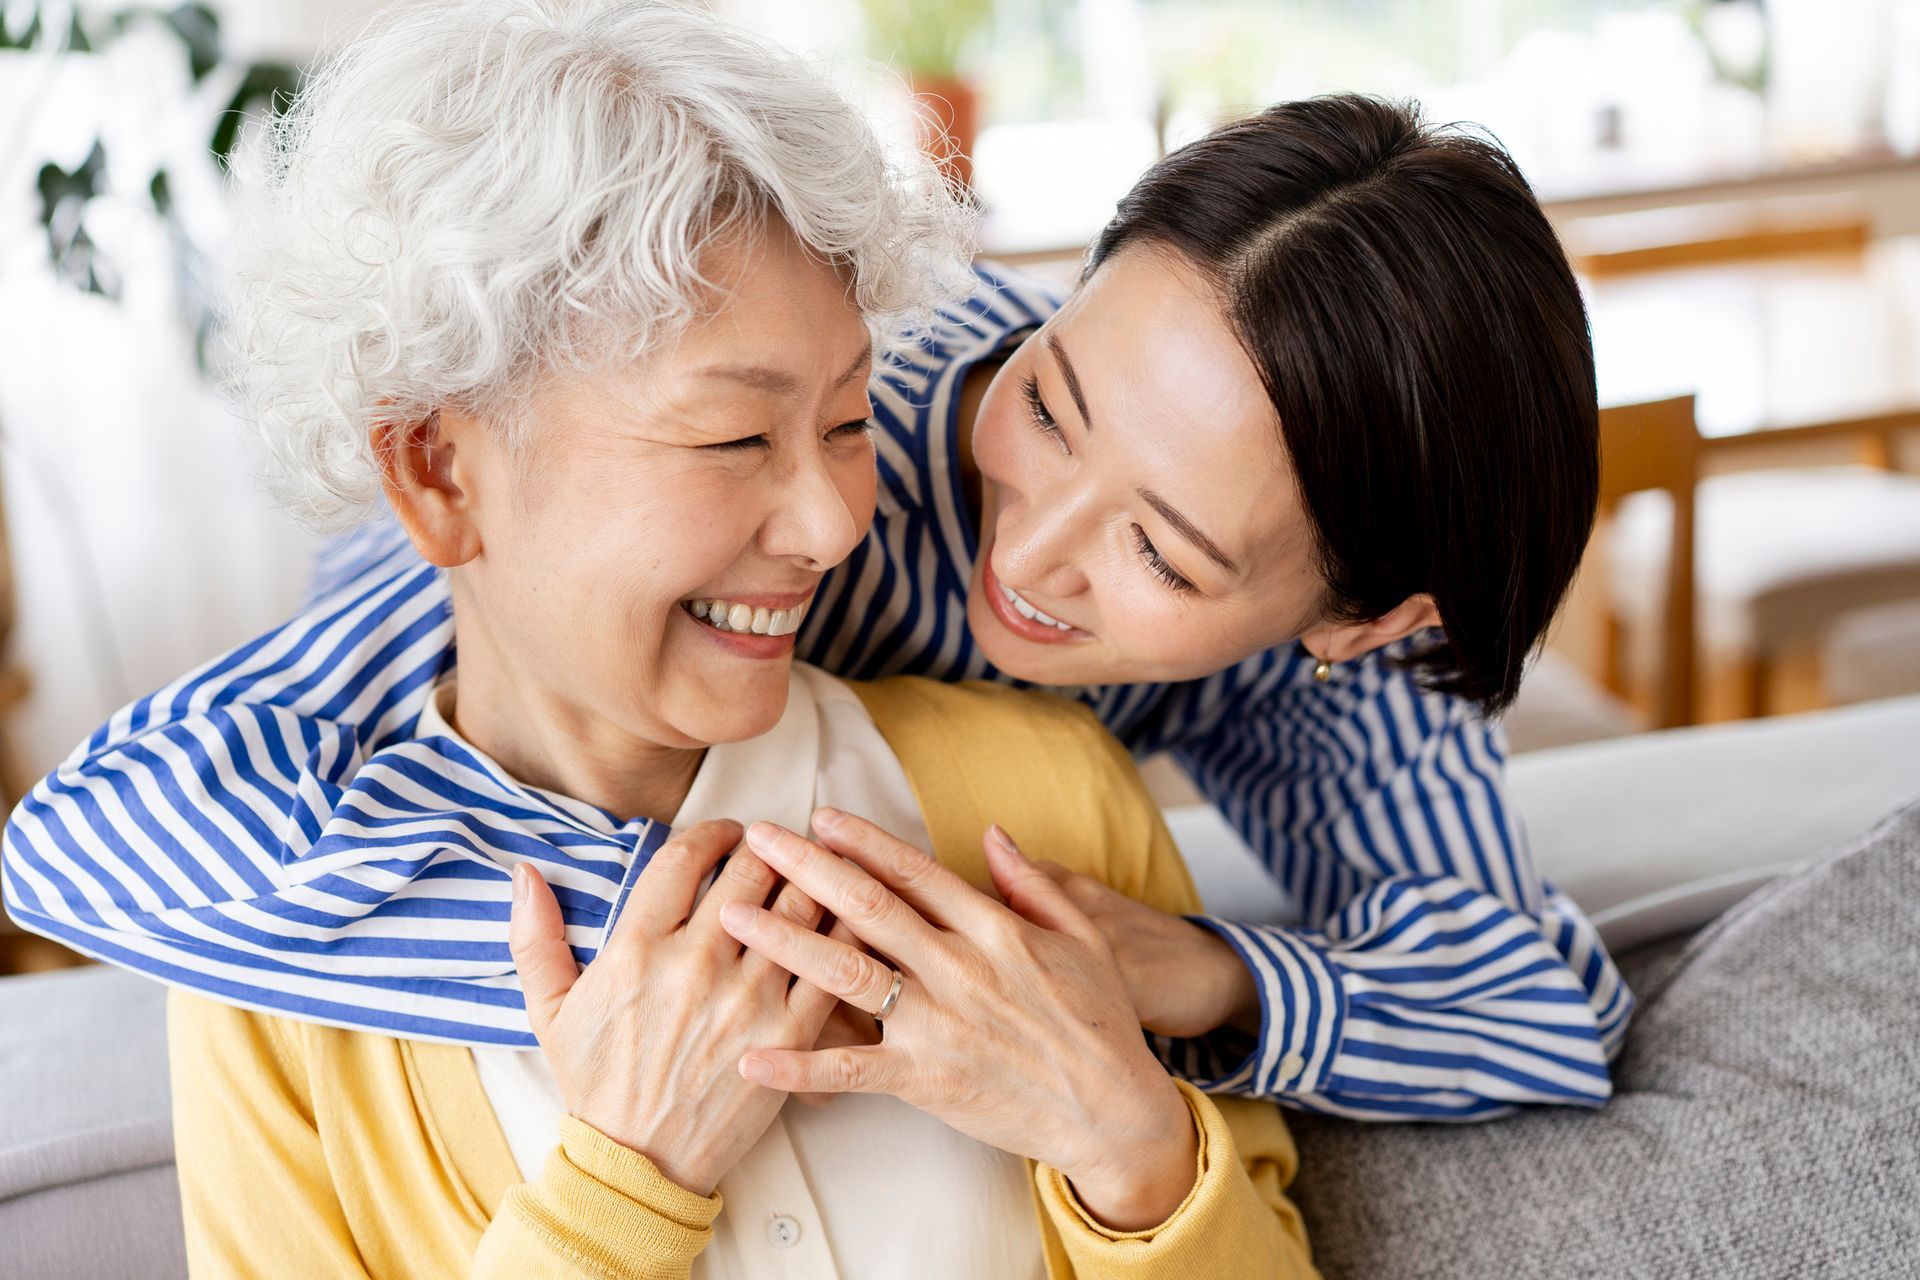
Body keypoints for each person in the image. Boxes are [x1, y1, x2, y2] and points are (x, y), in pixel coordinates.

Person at [1, 0, 1626, 1122]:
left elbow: (1545, 1004)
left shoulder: (1339, 641)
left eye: (1160, 549)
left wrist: (1194, 974)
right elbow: (106, 826)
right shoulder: (805, 417)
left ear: (1358, 624)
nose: (1035, 546)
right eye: (1052, 403)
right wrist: (761, 948)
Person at [153, 10, 1313, 1271]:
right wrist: (618, 1188)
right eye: (734, 438)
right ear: (439, 470)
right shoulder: (270, 966)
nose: (834, 522)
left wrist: (1132, 1151)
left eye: (849, 421)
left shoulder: (1050, 797)